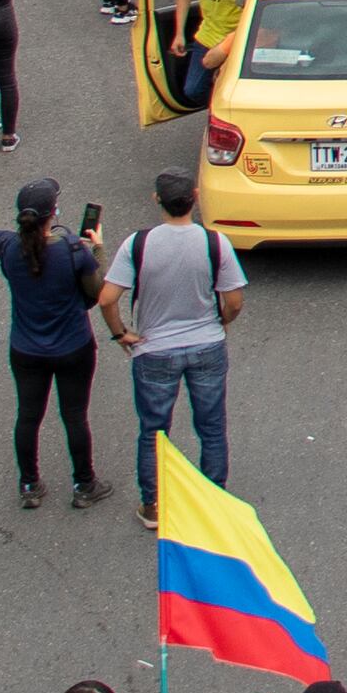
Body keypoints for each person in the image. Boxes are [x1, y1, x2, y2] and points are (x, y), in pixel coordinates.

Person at [106, 167, 244, 513]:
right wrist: (221, 321)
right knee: (211, 427)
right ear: (195, 198)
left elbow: (107, 298)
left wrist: (121, 332)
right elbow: (234, 301)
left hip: (154, 350)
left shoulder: (137, 244)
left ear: (157, 200)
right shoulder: (215, 242)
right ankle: (215, 499)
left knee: (154, 431)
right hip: (207, 345)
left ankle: (152, 504)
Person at [0, 182, 105, 511]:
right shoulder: (72, 250)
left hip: (26, 351)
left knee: (27, 417)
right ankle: (84, 484)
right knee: (75, 417)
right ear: (53, 214)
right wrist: (97, 250)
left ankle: (29, 485)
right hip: (74, 348)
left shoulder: (7, 246)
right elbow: (96, 294)